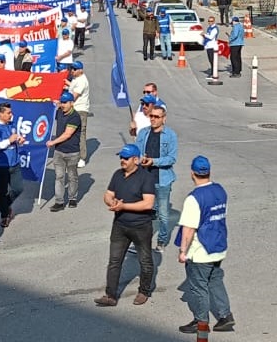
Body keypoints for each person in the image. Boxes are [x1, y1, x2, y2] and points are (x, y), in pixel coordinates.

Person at [175, 156, 235, 334]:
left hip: (201, 250)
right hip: (218, 246)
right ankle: (225, 316)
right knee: (215, 280)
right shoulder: (220, 190)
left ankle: (201, 322)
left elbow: (189, 228)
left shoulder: (194, 198)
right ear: (209, 171)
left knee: (198, 286)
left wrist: (183, 251)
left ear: (192, 173)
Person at [94, 144, 156, 307]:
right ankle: (111, 295)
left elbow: (148, 204)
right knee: (114, 261)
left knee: (145, 261)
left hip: (141, 227)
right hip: (120, 225)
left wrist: (124, 206)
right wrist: (111, 202)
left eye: (126, 158)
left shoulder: (146, 177)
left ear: (135, 160)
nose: (122, 160)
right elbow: (108, 194)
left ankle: (144, 291)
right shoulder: (117, 175)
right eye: (121, 157)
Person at [135, 105, 178, 252]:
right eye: (151, 116)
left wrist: (154, 161)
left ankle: (161, 241)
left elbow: (171, 158)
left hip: (163, 180)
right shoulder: (143, 133)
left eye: (156, 117)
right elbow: (137, 152)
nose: (152, 119)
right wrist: (141, 159)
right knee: (142, 213)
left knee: (163, 214)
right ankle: (140, 243)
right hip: (145, 180)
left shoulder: (170, 135)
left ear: (164, 119)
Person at [46, 91, 81, 211]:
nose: (63, 105)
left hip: (72, 152)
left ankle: (72, 198)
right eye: (62, 102)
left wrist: (53, 142)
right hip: (59, 152)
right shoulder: (60, 112)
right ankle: (59, 202)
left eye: (65, 103)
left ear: (71, 103)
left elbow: (67, 134)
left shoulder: (75, 117)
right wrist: (51, 105)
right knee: (59, 177)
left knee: (72, 177)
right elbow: (49, 114)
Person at [0, 103, 24, 228]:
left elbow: (15, 141)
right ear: (1, 114)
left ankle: (5, 204)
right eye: (8, 113)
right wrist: (8, 141)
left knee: (18, 188)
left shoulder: (11, 125)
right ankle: (4, 215)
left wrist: (20, 141)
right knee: (2, 191)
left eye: (11, 112)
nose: (11, 115)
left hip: (14, 163)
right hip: (1, 165)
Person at [67, 61, 90, 168]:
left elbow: (74, 96)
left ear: (80, 70)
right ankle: (73, 155)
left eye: (74, 69)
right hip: (74, 109)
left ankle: (81, 158)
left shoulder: (82, 81)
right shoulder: (76, 79)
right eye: (72, 69)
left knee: (80, 133)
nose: (72, 71)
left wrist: (62, 103)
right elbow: (72, 88)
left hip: (80, 109)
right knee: (71, 133)